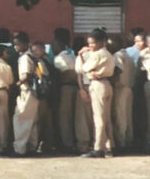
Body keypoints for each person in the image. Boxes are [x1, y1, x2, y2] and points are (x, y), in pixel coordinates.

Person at [76, 28, 116, 158]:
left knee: (99, 117)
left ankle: (99, 148)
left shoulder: (98, 54)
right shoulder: (108, 54)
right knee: (107, 117)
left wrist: (81, 55)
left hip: (98, 85)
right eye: (89, 43)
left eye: (93, 43)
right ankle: (110, 145)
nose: (90, 46)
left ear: (101, 42)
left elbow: (84, 68)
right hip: (107, 84)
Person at [11, 32, 39, 156]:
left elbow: (25, 75)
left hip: (27, 91)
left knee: (21, 119)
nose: (15, 47)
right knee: (32, 120)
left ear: (25, 44)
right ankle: (32, 146)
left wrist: (16, 84)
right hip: (34, 93)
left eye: (17, 44)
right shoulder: (33, 56)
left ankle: (20, 148)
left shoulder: (24, 58)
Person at [52, 36, 79, 153]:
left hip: (66, 88)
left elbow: (66, 73)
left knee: (65, 118)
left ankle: (66, 144)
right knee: (74, 116)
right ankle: (74, 141)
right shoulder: (73, 57)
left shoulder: (58, 59)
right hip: (76, 88)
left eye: (53, 46)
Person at [110, 35, 136, 152]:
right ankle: (129, 140)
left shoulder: (117, 55)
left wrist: (112, 81)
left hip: (120, 88)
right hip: (129, 88)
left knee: (120, 116)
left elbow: (118, 70)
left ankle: (121, 143)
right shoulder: (128, 56)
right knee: (127, 115)